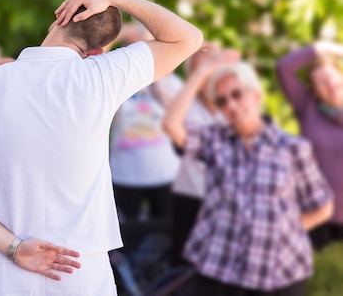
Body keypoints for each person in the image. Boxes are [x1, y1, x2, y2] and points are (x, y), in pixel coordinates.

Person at [0, 0, 203, 295]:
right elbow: (189, 38)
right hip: (79, 269)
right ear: (98, 50)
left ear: (59, 18)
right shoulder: (104, 75)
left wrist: (14, 247)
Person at [163, 58, 334, 295]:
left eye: (237, 94)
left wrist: (282, 232)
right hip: (219, 268)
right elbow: (172, 125)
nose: (231, 105)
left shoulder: (293, 148)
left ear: (256, 96)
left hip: (279, 272)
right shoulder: (214, 140)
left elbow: (321, 207)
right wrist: (200, 73)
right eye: (222, 101)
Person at [109, 23, 181, 223]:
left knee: (166, 235)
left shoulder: (171, 83)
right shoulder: (116, 82)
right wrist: (121, 33)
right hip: (125, 175)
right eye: (131, 49)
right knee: (128, 239)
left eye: (144, 49)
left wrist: (158, 87)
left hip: (165, 175)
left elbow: (182, 120)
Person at [276, 41, 343, 249]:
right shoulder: (308, 109)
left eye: (333, 78)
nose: (331, 86)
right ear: (314, 91)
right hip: (316, 212)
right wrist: (326, 48)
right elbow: (283, 68)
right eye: (322, 83)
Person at [169, 43, 225, 267]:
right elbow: (173, 126)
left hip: (225, 201)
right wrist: (184, 47)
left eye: (213, 70)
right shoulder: (183, 103)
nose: (207, 78)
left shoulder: (234, 106)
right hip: (191, 198)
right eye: (201, 72)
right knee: (185, 266)